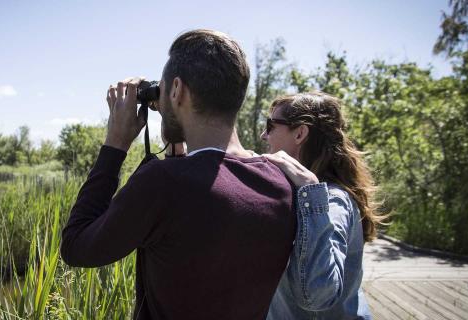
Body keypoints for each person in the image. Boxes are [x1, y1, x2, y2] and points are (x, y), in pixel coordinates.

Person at [60, 29, 297, 319]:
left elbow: (76, 247)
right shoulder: (279, 182)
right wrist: (176, 130)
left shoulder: (162, 183)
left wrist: (115, 144)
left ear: (177, 90)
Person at [261, 92, 384, 320]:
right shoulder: (300, 193)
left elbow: (315, 296)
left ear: (299, 133)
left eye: (270, 126)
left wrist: (310, 189)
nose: (263, 135)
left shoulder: (332, 200)